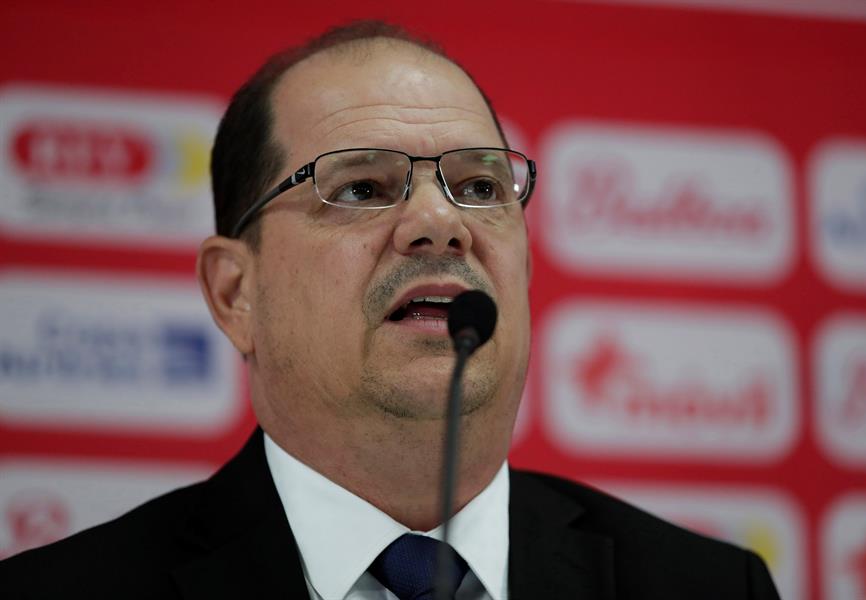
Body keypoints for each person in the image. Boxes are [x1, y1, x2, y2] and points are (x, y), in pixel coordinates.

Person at [0, 21, 781, 599]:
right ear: (237, 294)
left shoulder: (708, 587)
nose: (442, 223)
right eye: (363, 188)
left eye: (480, 187)